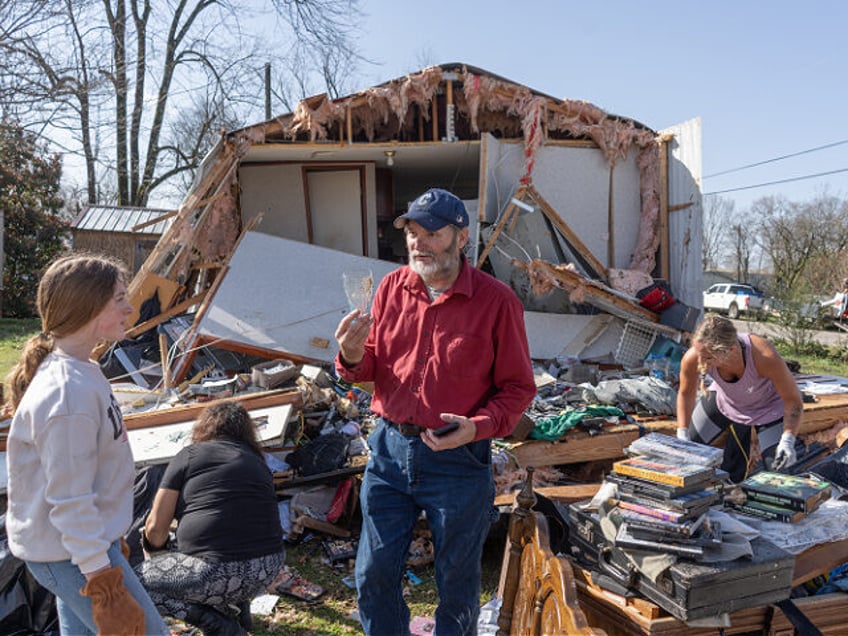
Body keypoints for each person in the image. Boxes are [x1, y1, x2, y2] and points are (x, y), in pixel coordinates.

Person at [334, 187, 537, 635]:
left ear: (461, 238)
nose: (417, 242)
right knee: (373, 573)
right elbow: (368, 365)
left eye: (432, 232)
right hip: (388, 453)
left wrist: (478, 428)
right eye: (412, 231)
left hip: (458, 462)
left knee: (457, 582)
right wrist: (349, 355)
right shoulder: (390, 289)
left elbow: (519, 388)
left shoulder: (497, 302)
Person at [4, 253, 169, 636]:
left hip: (80, 547)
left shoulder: (85, 371)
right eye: (119, 299)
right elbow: (69, 497)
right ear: (88, 307)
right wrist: (104, 577)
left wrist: (107, 538)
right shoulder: (67, 396)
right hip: (70, 554)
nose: (130, 307)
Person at [135, 400, 286, 635]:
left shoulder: (189, 455)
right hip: (268, 568)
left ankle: (217, 625)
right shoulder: (256, 461)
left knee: (133, 583)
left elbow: (155, 527)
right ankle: (237, 613)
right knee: (218, 553)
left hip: (215, 571)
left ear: (203, 428)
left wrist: (154, 555)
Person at [676, 313, 803, 482]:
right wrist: (682, 431)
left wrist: (788, 439)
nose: (700, 361)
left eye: (707, 357)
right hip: (725, 402)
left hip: (768, 410)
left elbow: (793, 401)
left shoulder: (764, 356)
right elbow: (685, 393)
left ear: (731, 350)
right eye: (698, 353)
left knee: (782, 477)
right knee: (683, 455)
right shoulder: (694, 357)